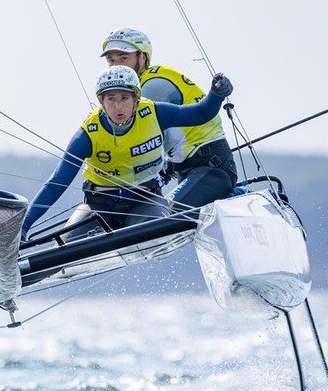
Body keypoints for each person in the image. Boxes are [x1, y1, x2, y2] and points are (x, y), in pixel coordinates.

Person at [21, 65, 233, 241]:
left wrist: (216, 94)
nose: (118, 106)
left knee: (154, 230)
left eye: (124, 98)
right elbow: (57, 183)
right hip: (99, 206)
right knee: (63, 251)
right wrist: (24, 226)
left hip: (146, 202)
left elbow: (201, 113)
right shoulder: (87, 135)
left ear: (136, 99)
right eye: (111, 99)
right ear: (101, 103)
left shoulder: (154, 113)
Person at [101, 28, 237, 214]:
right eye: (111, 60)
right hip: (188, 169)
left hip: (210, 168)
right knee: (145, 218)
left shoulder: (151, 86)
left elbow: (145, 143)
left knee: (159, 217)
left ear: (142, 57)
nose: (117, 65)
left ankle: (236, 195)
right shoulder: (137, 86)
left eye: (123, 58)